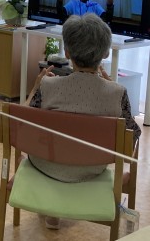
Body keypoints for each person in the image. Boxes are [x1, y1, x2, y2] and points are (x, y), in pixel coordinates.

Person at [26, 13, 141, 230]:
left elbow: (23, 126)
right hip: (91, 170)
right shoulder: (117, 93)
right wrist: (112, 87)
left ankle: (53, 210)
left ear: (67, 52)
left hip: (45, 167)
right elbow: (131, 138)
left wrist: (34, 88)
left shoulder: (48, 86)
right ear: (106, 53)